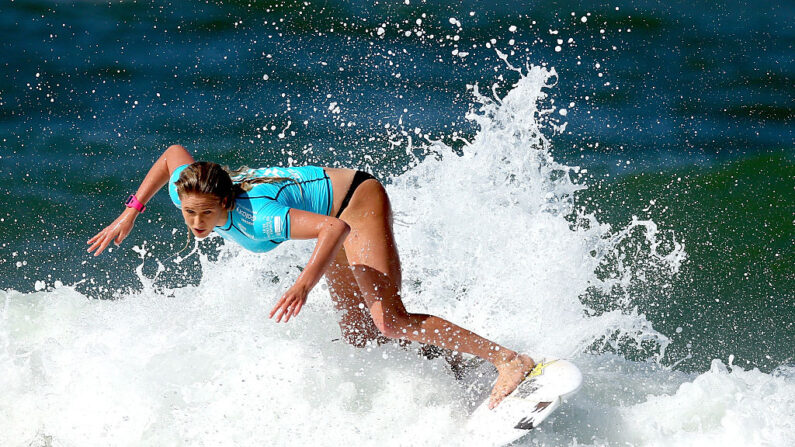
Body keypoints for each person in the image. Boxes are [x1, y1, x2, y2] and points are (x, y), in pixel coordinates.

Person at [87, 144, 536, 409]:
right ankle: (458, 363)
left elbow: (335, 228)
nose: (197, 222)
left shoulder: (259, 217)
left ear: (226, 202)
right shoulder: (190, 185)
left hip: (353, 203)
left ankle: (508, 360)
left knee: (388, 320)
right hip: (327, 215)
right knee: (360, 336)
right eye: (189, 213)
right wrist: (130, 213)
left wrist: (304, 284)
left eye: (207, 213)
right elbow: (171, 156)